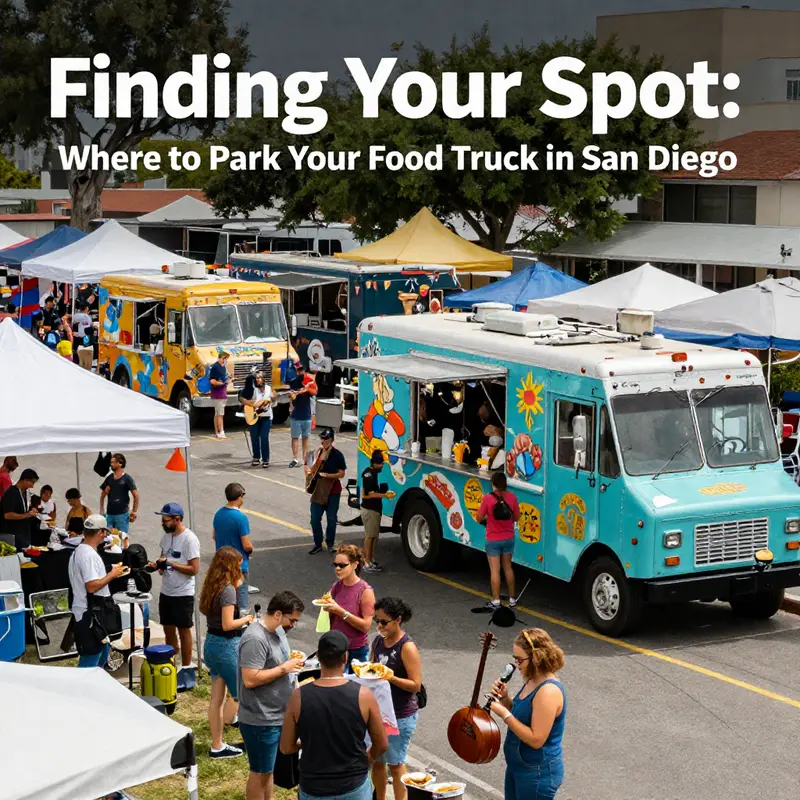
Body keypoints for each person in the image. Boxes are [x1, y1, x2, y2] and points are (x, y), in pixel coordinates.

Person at [280, 630, 388, 800]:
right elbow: (381, 744)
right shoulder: (364, 695)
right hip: (354, 786)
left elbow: (286, 747)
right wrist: (368, 757)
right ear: (345, 657)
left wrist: (307, 742)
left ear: (318, 657)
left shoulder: (298, 696)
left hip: (313, 787)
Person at [239, 591, 305, 800]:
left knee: (269, 773)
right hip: (261, 718)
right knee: (260, 774)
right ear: (278, 614)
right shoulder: (255, 639)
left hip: (277, 715)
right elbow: (250, 679)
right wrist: (284, 669)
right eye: (291, 620)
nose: (293, 625)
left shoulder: (278, 632)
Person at [487, 628, 567, 800]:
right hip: (519, 767)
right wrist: (505, 699)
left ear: (536, 658)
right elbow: (521, 715)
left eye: (520, 659)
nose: (516, 664)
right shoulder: (532, 679)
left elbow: (536, 739)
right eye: (514, 659)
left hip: (537, 773)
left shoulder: (548, 692)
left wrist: (504, 715)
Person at [199, 546, 255, 760]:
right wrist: (247, 619)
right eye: (238, 565)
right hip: (226, 646)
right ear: (231, 566)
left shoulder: (211, 586)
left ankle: (217, 745)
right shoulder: (228, 591)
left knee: (216, 699)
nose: (241, 568)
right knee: (244, 697)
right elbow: (228, 623)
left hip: (211, 644)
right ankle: (250, 741)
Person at [371, 597, 422, 800]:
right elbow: (371, 667)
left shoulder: (407, 647)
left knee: (396, 763)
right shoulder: (377, 641)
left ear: (398, 620)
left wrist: (391, 677)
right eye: (377, 620)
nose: (379, 626)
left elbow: (415, 684)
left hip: (400, 715)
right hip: (379, 712)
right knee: (377, 761)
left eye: (384, 621)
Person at [149, 501, 201, 689]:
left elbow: (194, 569)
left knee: (184, 630)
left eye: (165, 520)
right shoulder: (166, 537)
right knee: (168, 629)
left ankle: (187, 668)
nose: (162, 523)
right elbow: (164, 558)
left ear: (177, 519)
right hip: (167, 591)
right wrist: (158, 566)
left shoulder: (189, 540)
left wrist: (171, 564)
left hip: (183, 593)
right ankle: (172, 664)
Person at [68, 514, 127, 668]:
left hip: (91, 610)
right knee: (90, 663)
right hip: (90, 614)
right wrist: (112, 575)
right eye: (105, 532)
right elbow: (92, 586)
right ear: (101, 532)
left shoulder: (80, 550)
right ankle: (80, 691)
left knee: (102, 654)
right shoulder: (88, 555)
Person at [323, 544, 375, 668]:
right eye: (335, 565)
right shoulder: (337, 586)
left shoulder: (365, 591)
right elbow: (330, 618)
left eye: (342, 565)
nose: (337, 569)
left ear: (355, 564)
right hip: (336, 648)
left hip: (356, 651)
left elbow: (366, 626)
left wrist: (340, 611)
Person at [476, 471, 520, 609]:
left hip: (493, 539)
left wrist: (487, 519)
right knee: (508, 567)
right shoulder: (512, 498)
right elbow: (517, 517)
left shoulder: (488, 499)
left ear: (493, 484)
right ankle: (512, 599)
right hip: (508, 538)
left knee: (495, 570)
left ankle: (496, 601)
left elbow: (478, 517)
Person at [213, 483, 255, 611]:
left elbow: (214, 536)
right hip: (238, 565)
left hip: (222, 563)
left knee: (226, 600)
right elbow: (246, 545)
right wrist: (251, 550)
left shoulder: (218, 514)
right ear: (239, 497)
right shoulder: (241, 518)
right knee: (241, 604)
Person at [307, 428, 347, 555]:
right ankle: (318, 543)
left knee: (331, 518)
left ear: (331, 440)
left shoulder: (337, 455)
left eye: (325, 439)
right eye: (322, 439)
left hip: (333, 491)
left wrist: (327, 475)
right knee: (314, 518)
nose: (323, 441)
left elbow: (341, 474)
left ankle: (330, 542)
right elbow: (311, 467)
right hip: (319, 489)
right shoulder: (318, 453)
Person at [361, 450, 392, 574]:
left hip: (374, 510)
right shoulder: (369, 475)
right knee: (370, 537)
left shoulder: (373, 473)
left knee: (374, 536)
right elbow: (369, 494)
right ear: (375, 463)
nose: (382, 466)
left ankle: (371, 559)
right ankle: (367, 563)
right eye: (381, 464)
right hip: (370, 510)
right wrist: (385, 495)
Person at [99, 453, 139, 537]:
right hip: (109, 515)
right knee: (107, 538)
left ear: (120, 463)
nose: (111, 465)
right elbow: (102, 494)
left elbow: (136, 495)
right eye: (111, 462)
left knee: (121, 538)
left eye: (113, 462)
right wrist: (102, 509)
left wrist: (134, 512)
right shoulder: (109, 478)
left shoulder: (127, 478)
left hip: (122, 515)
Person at [241, 369, 273, 468]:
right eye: (256, 378)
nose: (257, 380)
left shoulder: (268, 389)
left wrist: (272, 399)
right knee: (254, 437)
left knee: (264, 437)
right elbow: (244, 399)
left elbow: (273, 399)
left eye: (259, 378)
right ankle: (256, 456)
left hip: (266, 416)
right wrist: (253, 404)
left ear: (263, 379)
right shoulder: (253, 389)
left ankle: (266, 459)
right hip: (254, 416)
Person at [0, 468, 39, 549]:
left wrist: (31, 510)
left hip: (23, 536)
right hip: (13, 537)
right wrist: (27, 515)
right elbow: (8, 515)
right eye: (32, 482)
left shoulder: (24, 492)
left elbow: (21, 509)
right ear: (25, 480)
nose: (32, 486)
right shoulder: (11, 493)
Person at [288, 361, 317, 467]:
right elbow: (291, 397)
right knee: (295, 437)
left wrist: (306, 388)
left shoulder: (309, 380)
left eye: (302, 370)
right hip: (296, 414)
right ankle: (295, 458)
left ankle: (305, 457)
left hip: (306, 414)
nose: (300, 372)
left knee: (305, 437)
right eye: (298, 370)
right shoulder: (293, 382)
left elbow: (314, 392)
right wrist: (292, 398)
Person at [209, 350, 232, 440]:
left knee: (217, 413)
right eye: (224, 358)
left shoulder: (223, 367)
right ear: (220, 357)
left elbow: (226, 376)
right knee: (220, 414)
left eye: (226, 359)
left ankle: (217, 432)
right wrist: (220, 383)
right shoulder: (215, 367)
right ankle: (221, 432)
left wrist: (230, 378)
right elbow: (212, 380)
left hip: (222, 392)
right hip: (218, 393)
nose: (225, 360)